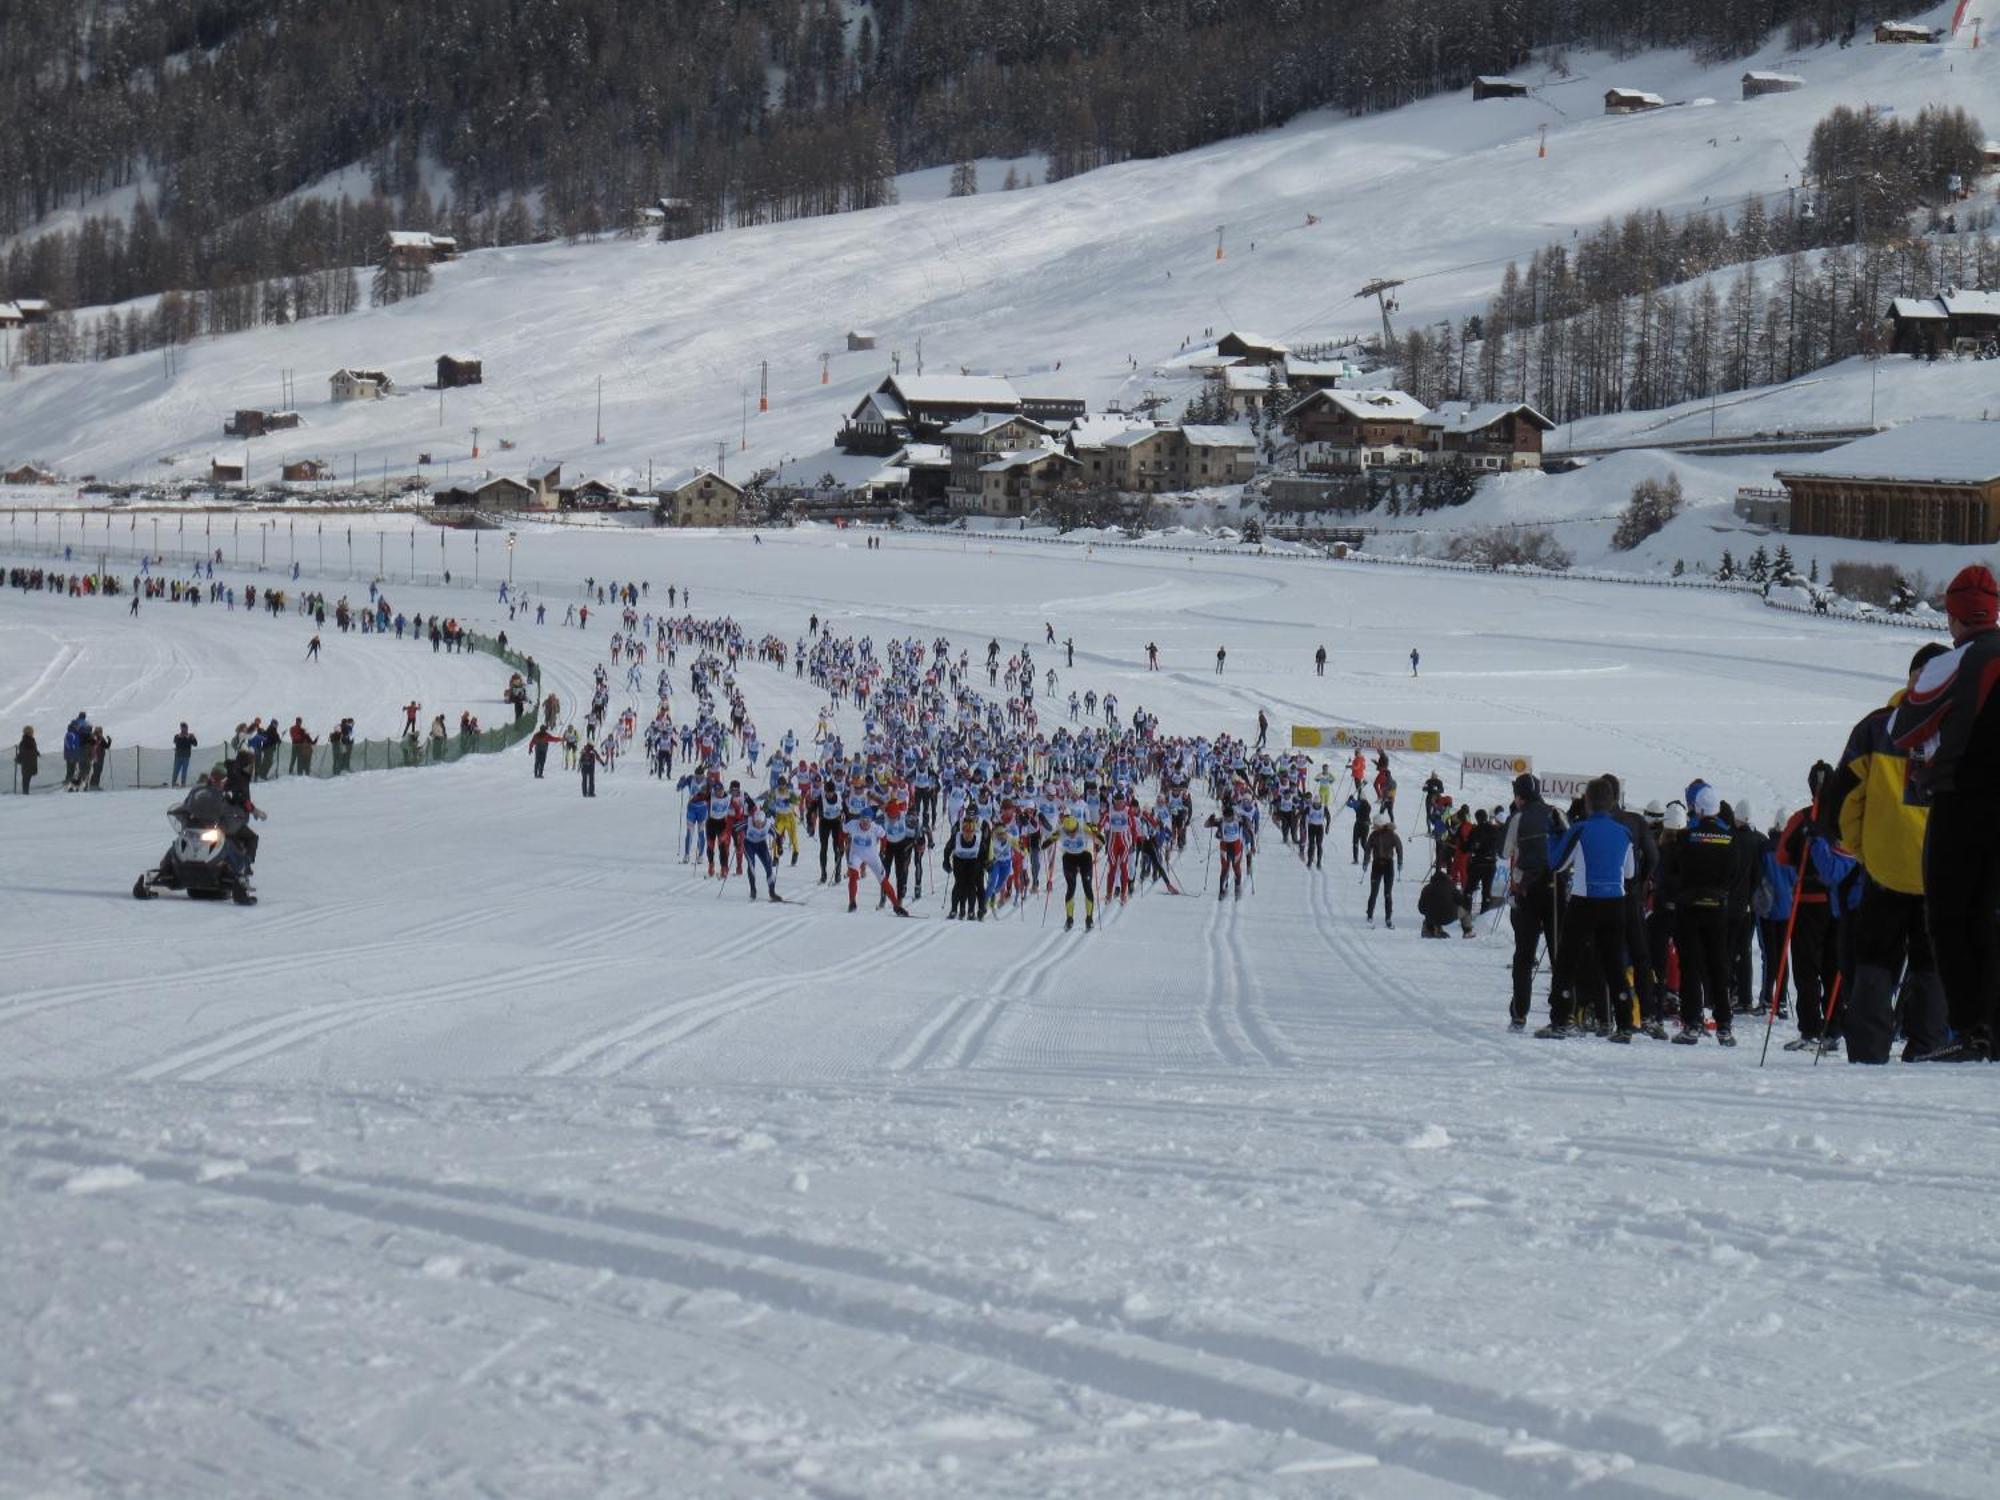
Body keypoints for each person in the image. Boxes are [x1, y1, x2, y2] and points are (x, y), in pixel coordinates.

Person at [1892, 564, 2000, 1058]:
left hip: (1961, 799)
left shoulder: (1951, 664)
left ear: (1954, 619)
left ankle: (1971, 1029)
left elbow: (1903, 727)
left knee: (1951, 914)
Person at [1827, 641, 1951, 1063]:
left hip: (1885, 868)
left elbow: (1845, 799)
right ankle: (1927, 1046)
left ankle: (1868, 1049)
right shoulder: (1965, 727)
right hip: (1941, 871)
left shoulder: (1877, 727)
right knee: (1931, 962)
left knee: (1876, 959)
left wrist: (1863, 850)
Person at [1538, 776, 1637, 1039]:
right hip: (1616, 901)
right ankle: (1625, 1023)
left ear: (1588, 802)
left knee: (1567, 962)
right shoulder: (1624, 832)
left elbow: (1556, 864)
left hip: (1585, 901)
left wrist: (1554, 835)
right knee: (1615, 964)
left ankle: (1560, 1019)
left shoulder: (1580, 829)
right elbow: (1630, 872)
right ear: (1612, 802)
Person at [1664, 784, 1737, 1045]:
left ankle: (1692, 1023)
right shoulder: (1730, 838)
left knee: (1691, 966)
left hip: (1689, 907)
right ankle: (1725, 1024)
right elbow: (1735, 874)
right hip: (1718, 907)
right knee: (1718, 966)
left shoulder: (1687, 836)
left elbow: (1672, 868)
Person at [1503, 773, 1563, 1029]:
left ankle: (1520, 1012)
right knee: (1559, 953)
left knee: (1524, 955)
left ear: (1519, 796)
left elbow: (1505, 851)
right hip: (1556, 891)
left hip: (1527, 891)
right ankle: (1562, 1013)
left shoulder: (1518, 818)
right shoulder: (1557, 812)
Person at [1364, 813, 1403, 927]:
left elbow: (1399, 848)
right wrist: (1366, 861)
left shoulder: (1392, 835)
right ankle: (1370, 914)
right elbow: (1368, 848)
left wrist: (1400, 861)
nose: (1374, 827)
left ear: (1381, 825)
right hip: (1376, 864)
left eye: (1375, 825)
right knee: (1374, 892)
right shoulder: (1373, 835)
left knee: (1387, 893)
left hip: (1388, 865)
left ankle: (1388, 918)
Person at [171, 723, 198, 788]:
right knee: (176, 770)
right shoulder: (177, 736)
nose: (184, 729)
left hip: (186, 756)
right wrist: (182, 738)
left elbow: (195, 744)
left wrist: (193, 738)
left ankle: (183, 783)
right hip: (178, 756)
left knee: (184, 771)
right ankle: (173, 783)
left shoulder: (190, 736)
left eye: (185, 727)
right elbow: (175, 741)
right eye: (182, 727)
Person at [13, 726, 38, 796]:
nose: (32, 733)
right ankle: (25, 792)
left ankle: (26, 791)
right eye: (31, 732)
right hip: (27, 763)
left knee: (27, 777)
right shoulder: (25, 741)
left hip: (29, 762)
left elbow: (32, 749)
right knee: (26, 778)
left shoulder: (30, 740)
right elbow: (23, 751)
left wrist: (36, 752)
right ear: (29, 732)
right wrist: (18, 758)